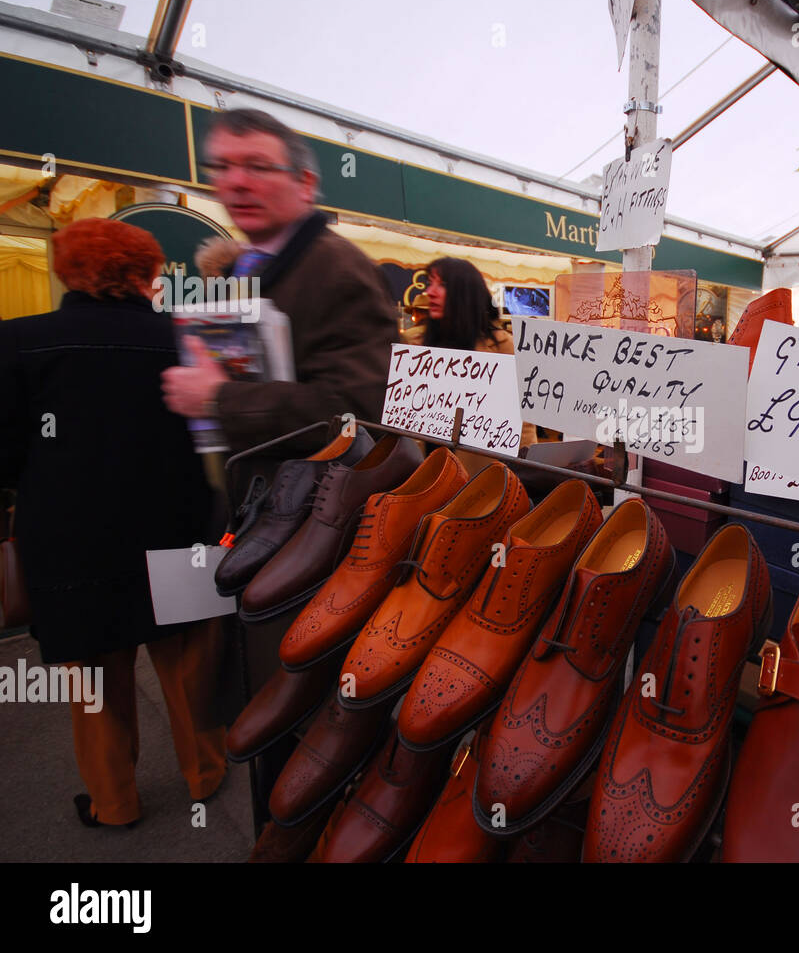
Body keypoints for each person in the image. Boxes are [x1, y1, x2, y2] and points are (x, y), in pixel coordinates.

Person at [0, 218, 224, 829]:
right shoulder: (188, 341)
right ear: (150, 274)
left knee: (95, 677)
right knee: (185, 663)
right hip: (176, 526)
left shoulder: (18, 342)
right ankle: (206, 775)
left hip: (70, 538)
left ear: (65, 270)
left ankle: (114, 802)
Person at [161, 107, 398, 498]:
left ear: (305, 183)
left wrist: (218, 399)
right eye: (221, 166)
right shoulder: (246, 268)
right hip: (260, 503)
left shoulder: (338, 268)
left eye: (258, 167)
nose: (236, 182)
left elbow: (358, 413)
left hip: (315, 518)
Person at [421, 257, 538, 469]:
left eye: (442, 284)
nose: (430, 291)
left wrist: (525, 469)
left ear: (465, 293)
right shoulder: (415, 344)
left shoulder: (504, 347)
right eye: (430, 282)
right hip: (421, 473)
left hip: (478, 480)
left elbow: (523, 421)